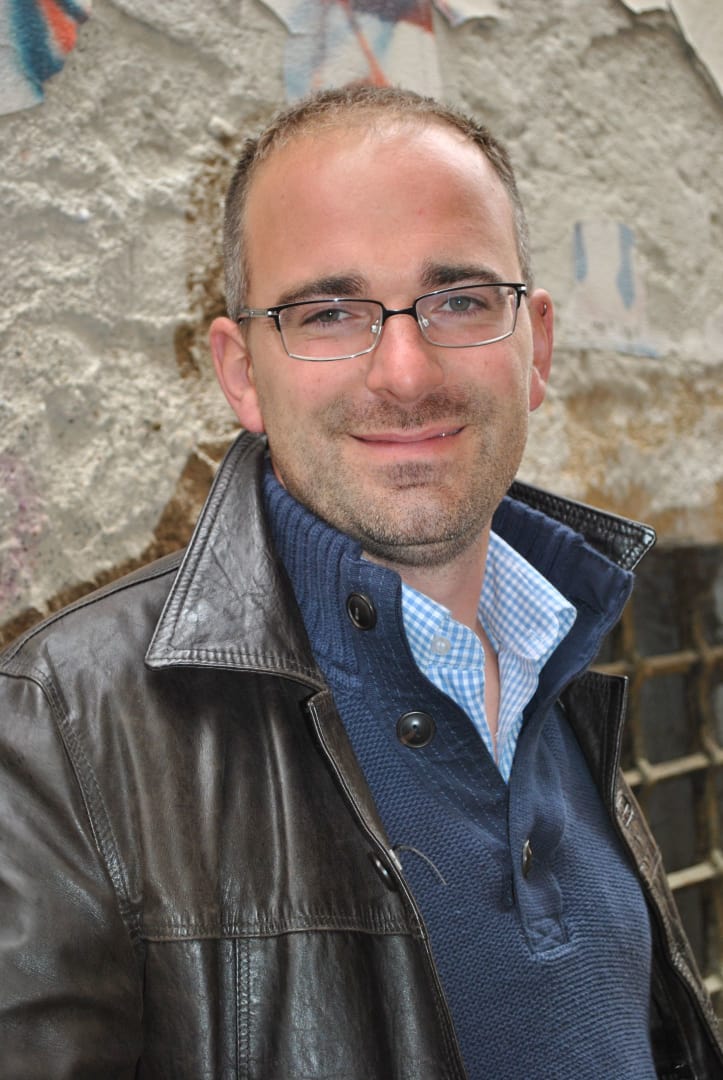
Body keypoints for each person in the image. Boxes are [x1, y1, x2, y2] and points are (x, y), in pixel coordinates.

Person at [0, 86, 721, 1080]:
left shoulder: (563, 658)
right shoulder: (61, 732)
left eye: (460, 301)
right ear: (241, 372)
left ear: (537, 345)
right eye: (329, 313)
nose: (405, 373)